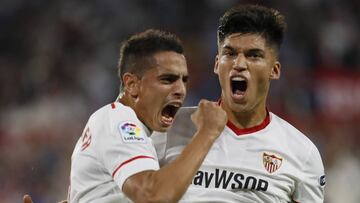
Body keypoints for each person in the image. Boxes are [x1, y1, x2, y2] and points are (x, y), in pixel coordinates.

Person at [24, 29, 226, 203]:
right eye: (168, 79)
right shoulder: (119, 121)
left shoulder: (113, 123)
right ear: (132, 85)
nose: (181, 89)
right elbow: (152, 195)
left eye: (184, 80)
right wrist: (207, 133)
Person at [161, 4, 325, 203]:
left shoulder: (301, 153)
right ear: (216, 64)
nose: (239, 64)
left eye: (253, 55)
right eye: (229, 54)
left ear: (274, 70)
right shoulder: (169, 128)